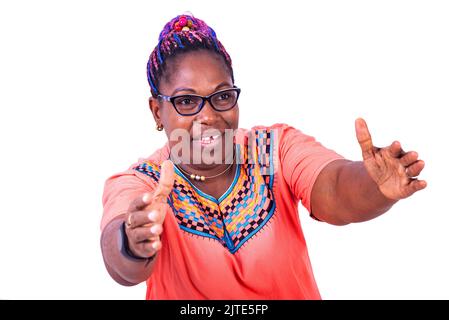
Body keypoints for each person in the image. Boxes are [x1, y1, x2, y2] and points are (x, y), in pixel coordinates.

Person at [100, 13, 426, 299]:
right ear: (157, 111)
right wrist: (132, 241)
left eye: (222, 96)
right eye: (187, 102)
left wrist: (373, 185)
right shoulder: (142, 182)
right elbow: (120, 261)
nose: (209, 115)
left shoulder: (275, 149)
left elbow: (334, 189)